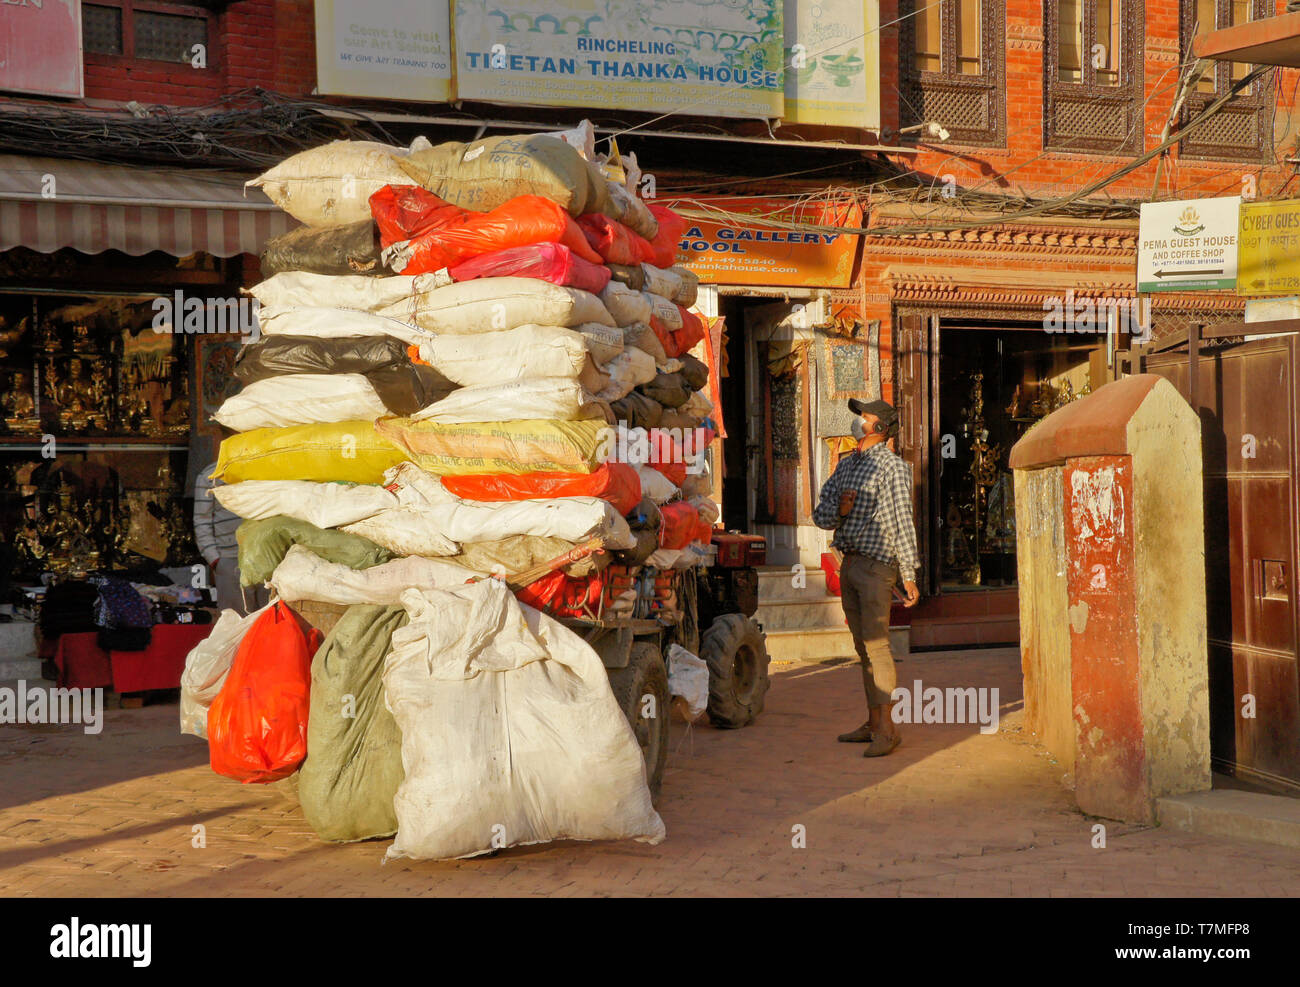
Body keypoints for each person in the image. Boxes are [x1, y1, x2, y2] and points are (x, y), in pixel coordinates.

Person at [813, 398, 921, 757]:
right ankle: (873, 722)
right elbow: (821, 515)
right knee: (862, 649)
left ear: (880, 428)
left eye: (865, 416)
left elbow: (901, 521)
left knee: (877, 645)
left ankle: (887, 729)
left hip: (878, 566)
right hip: (851, 563)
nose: (859, 421)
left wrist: (909, 573)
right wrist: (841, 510)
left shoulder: (893, 468)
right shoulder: (845, 467)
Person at [193, 431, 266, 615]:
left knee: (266, 619)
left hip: (263, 557)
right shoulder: (210, 477)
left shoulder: (262, 473)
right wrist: (215, 559)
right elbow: (201, 521)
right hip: (229, 559)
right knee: (234, 621)